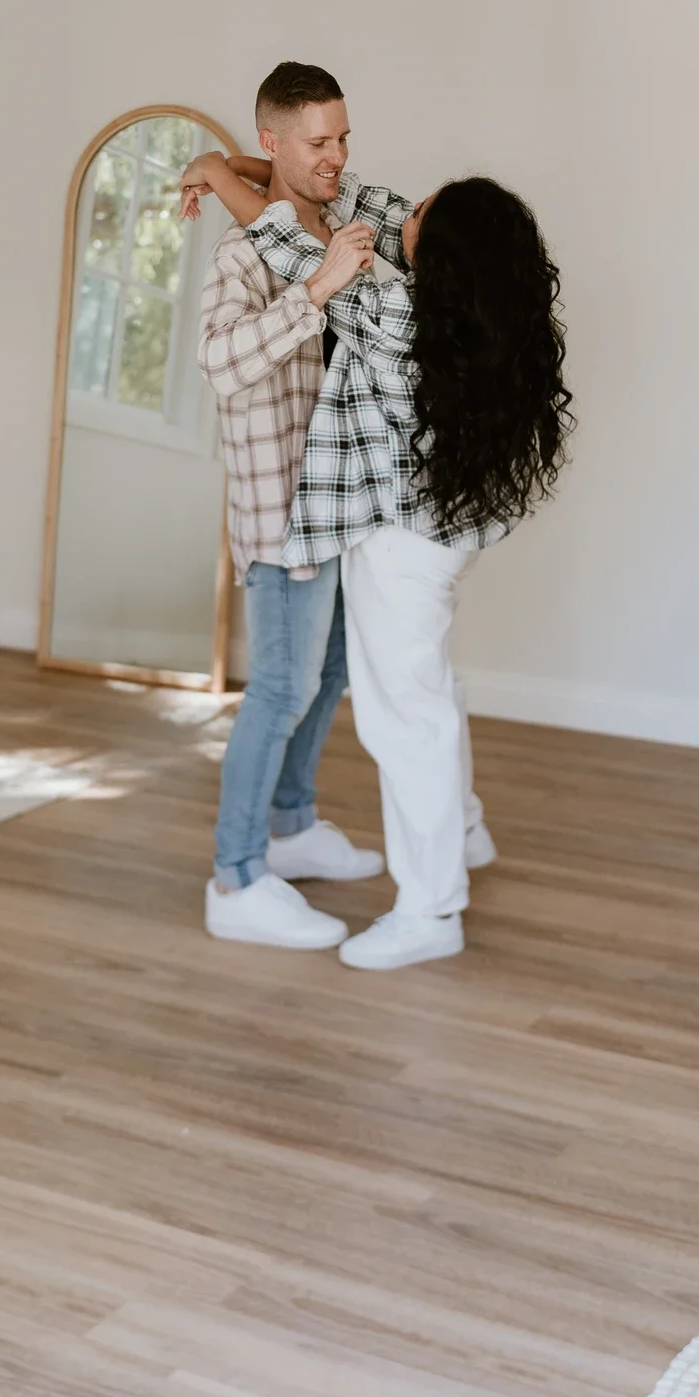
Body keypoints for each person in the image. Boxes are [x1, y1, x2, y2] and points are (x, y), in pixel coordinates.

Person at [187, 159, 572, 971]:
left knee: (404, 722)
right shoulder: (468, 313)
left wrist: (216, 170)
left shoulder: (393, 308)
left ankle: (430, 910)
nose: (406, 207)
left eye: (423, 211)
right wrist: (274, 163)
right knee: (432, 694)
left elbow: (290, 246)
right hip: (446, 536)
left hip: (400, 550)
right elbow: (359, 199)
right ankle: (460, 830)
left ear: (438, 253)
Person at [192, 61, 421, 950]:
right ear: (274, 143)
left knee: (328, 675)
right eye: (318, 142)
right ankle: (236, 874)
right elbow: (219, 365)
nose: (336, 156)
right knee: (279, 688)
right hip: (277, 509)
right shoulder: (245, 256)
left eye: (343, 138)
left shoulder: (342, 217)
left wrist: (220, 172)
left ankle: (289, 826)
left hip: (339, 504)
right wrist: (316, 290)